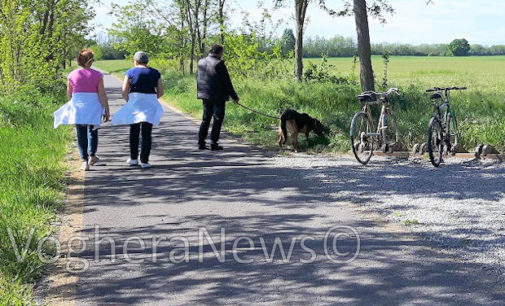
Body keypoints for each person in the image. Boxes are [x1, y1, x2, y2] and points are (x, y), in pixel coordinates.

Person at [54, 49, 110, 171]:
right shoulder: (97, 75)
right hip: (93, 106)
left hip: (77, 106)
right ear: (90, 61)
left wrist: (71, 106)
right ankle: (92, 156)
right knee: (93, 132)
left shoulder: (72, 75)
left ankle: (84, 161)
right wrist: (106, 109)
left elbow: (69, 94)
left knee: (81, 134)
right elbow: (102, 94)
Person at [112, 51, 164, 169]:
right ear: (147, 61)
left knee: (134, 130)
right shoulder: (155, 73)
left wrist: (128, 101)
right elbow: (160, 91)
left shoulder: (130, 72)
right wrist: (151, 100)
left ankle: (134, 158)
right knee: (147, 132)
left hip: (135, 102)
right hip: (150, 103)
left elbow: (124, 90)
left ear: (135, 61)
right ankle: (145, 160)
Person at [197, 44, 239, 151]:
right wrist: (234, 96)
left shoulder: (201, 62)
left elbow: (199, 78)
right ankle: (213, 142)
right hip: (218, 96)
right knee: (217, 119)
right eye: (222, 53)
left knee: (205, 119)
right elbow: (227, 82)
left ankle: (201, 142)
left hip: (204, 94)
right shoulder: (219, 64)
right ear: (219, 53)